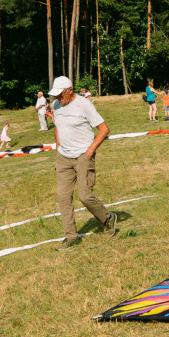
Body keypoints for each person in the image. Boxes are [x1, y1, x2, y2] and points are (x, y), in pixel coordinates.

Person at [49, 75, 116, 250]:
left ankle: (107, 218)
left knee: (85, 195)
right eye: (56, 95)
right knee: (63, 197)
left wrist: (90, 151)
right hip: (63, 157)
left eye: (61, 94)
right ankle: (71, 237)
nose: (58, 98)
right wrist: (58, 147)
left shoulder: (84, 104)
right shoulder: (56, 105)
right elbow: (57, 126)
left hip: (83, 156)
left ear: (70, 90)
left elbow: (104, 129)